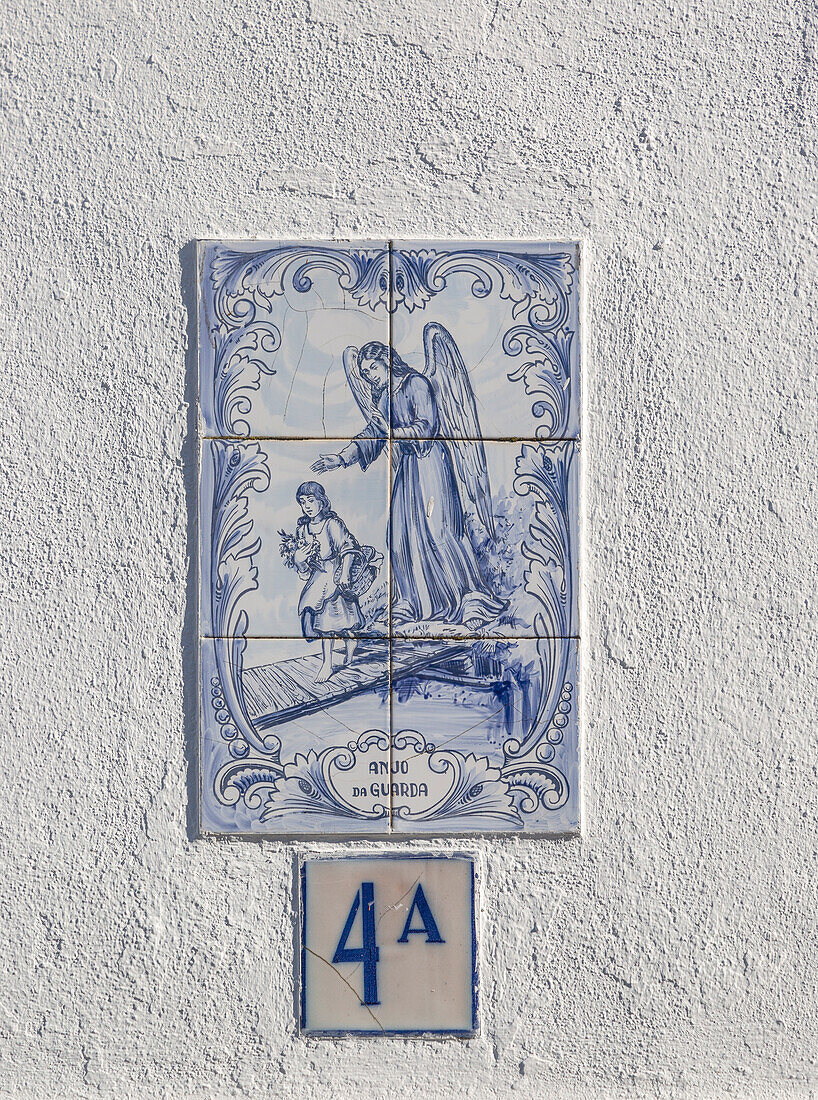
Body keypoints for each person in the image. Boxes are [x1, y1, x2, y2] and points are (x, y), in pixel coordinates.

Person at [311, 341, 505, 630]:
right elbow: (373, 435)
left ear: (388, 361)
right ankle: (411, 603)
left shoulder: (417, 383)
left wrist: (393, 432)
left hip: (431, 464)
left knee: (440, 531)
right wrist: (340, 459)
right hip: (410, 469)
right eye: (365, 373)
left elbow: (426, 427)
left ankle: (468, 600)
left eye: (373, 368)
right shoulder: (384, 398)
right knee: (399, 536)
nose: (370, 376)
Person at [286, 481, 382, 682]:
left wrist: (345, 573)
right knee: (324, 619)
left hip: (336, 575)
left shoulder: (333, 524)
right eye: (303, 502)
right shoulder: (302, 529)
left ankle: (328, 663)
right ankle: (344, 647)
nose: (307, 506)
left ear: (322, 501)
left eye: (311, 500)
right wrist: (299, 561)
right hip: (318, 578)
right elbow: (304, 570)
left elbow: (348, 548)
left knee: (333, 620)